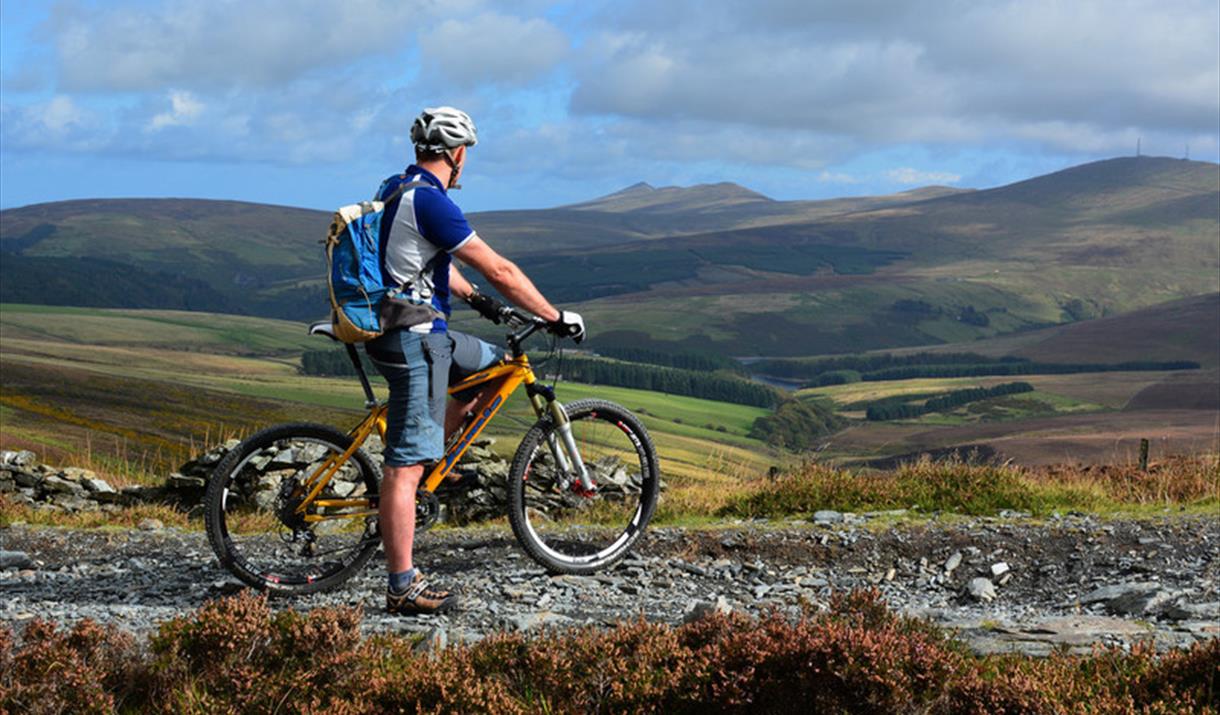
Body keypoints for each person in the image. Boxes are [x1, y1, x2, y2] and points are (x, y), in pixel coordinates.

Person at [365, 106, 585, 615]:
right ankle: (402, 584)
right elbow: (501, 269)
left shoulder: (395, 188)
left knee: (495, 363)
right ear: (457, 153)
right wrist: (553, 316)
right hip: (414, 339)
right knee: (404, 467)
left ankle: (437, 458)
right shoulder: (433, 203)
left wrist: (478, 302)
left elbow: (423, 265)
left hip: (416, 329)